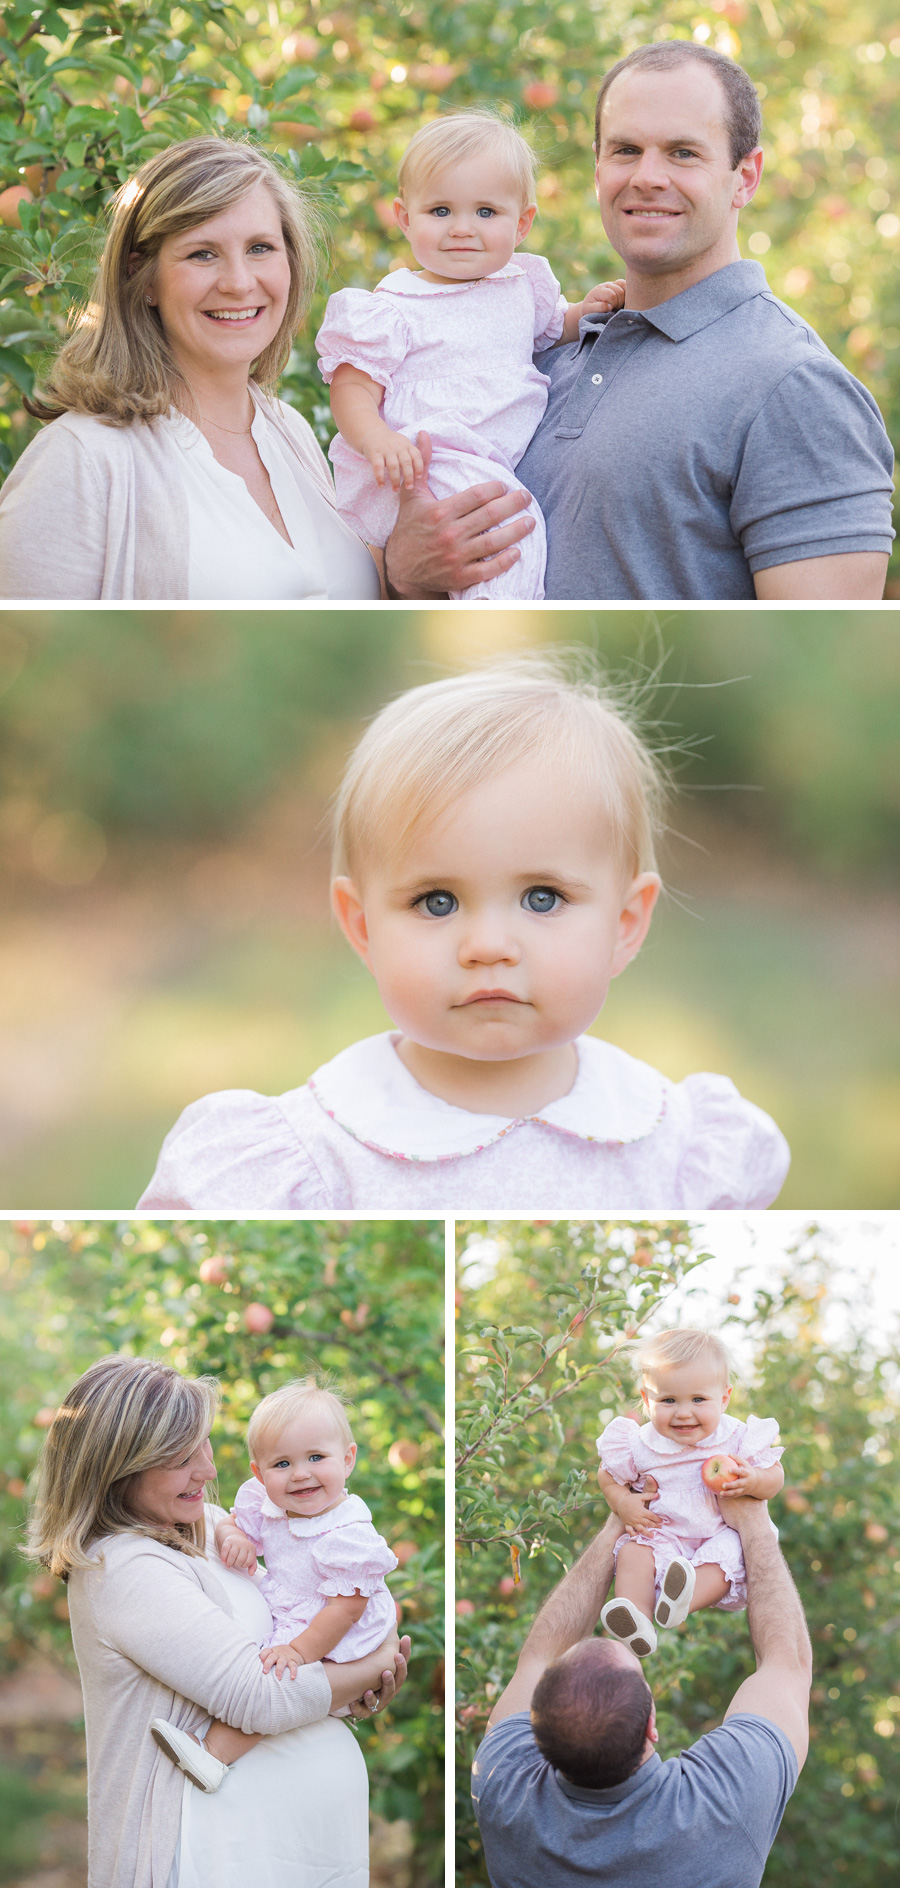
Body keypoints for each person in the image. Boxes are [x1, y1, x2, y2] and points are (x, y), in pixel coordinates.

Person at [137, 655, 791, 1212]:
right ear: (362, 927)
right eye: (437, 902)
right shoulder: (307, 1162)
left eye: (542, 898)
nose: (488, 946)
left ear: (626, 924)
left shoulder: (674, 1150)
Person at [390, 44, 895, 601]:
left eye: (683, 153)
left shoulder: (795, 387)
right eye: (626, 150)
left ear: (746, 177)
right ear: (598, 168)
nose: (648, 177)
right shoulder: (532, 355)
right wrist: (405, 571)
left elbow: (822, 650)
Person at [0, 135, 532, 601]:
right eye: (202, 254)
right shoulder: (84, 459)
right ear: (144, 277)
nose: (239, 282)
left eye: (260, 248)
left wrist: (407, 576)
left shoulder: (289, 431)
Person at [25, 1354, 409, 1888]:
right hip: (217, 1853)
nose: (207, 1471)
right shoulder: (122, 1567)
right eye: (181, 1458)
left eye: (202, 1445)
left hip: (292, 1848)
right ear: (117, 1469)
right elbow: (261, 1698)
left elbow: (318, 1616)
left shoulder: (204, 1525)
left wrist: (353, 1686)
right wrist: (374, 1663)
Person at [315, 112, 625, 599]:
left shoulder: (522, 287)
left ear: (521, 224)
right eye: (440, 211)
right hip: (429, 458)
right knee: (511, 530)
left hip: (484, 460)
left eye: (485, 212)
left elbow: (555, 329)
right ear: (405, 218)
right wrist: (377, 439)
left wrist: (587, 311)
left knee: (500, 539)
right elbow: (352, 386)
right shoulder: (393, 308)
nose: (462, 229)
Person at [471, 1496, 812, 1888]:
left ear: (535, 1727)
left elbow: (539, 1655)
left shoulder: (502, 1787)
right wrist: (754, 1521)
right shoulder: (721, 1806)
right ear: (651, 1725)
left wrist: (622, 1519)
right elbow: (787, 1665)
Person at [153, 1379, 398, 1792]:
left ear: (348, 1459)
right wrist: (234, 1536)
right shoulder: (268, 1505)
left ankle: (212, 1754)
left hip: (332, 1625)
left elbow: (346, 1610)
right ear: (259, 1473)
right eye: (282, 1464)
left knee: (278, 1681)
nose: (300, 1474)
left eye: (316, 1457)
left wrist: (298, 1651)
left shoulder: (349, 1533)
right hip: (299, 1614)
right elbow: (234, 1522)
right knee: (276, 1680)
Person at [595, 1328, 784, 1657]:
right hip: (663, 1531)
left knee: (729, 1556)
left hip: (719, 1532)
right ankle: (637, 1620)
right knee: (634, 1553)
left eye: (698, 1399)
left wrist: (753, 1480)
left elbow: (775, 1475)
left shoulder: (735, 1437)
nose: (683, 1412)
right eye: (668, 1400)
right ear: (646, 1401)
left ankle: (682, 1599)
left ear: (723, 1399)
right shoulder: (639, 1444)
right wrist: (623, 1502)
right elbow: (607, 1475)